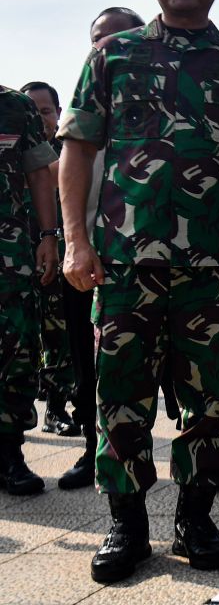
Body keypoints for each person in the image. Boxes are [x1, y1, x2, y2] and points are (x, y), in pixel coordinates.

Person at [59, 0, 219, 582]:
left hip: (213, 266)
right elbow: (78, 149)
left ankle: (196, 516)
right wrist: (75, 240)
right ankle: (128, 524)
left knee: (209, 403)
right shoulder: (114, 56)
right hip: (123, 264)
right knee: (120, 396)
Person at [54, 9, 147, 492]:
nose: (106, 45)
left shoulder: (153, 101)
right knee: (88, 364)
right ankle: (95, 450)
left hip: (152, 257)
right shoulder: (84, 105)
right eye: (97, 39)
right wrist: (71, 243)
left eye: (116, 36)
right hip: (89, 257)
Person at [0, 87, 59, 496]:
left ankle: (9, 454)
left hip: (10, 255)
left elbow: (40, 173)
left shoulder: (15, 106)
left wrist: (49, 236)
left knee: (17, 351)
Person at [19, 82, 78, 438]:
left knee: (59, 333)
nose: (39, 118)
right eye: (32, 111)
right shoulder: (10, 148)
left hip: (58, 252)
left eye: (44, 111)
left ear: (57, 114)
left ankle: (56, 410)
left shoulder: (69, 152)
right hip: (15, 254)